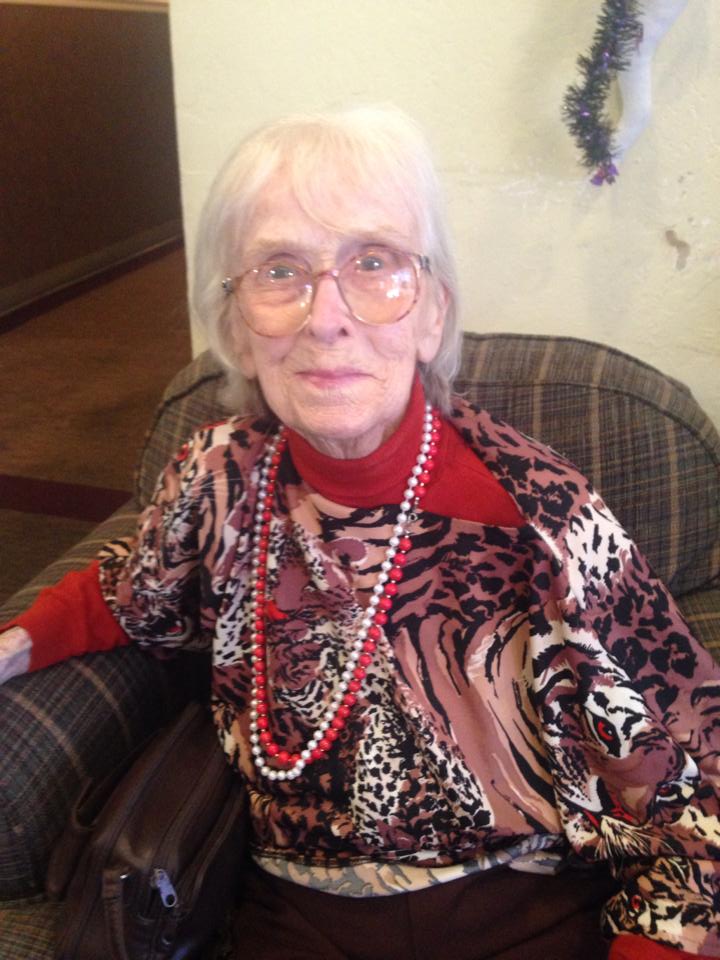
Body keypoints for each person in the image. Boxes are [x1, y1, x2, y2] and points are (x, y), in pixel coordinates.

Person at [1, 107, 719, 960]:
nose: (325, 317)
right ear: (236, 326)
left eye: (373, 262)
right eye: (280, 270)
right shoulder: (218, 476)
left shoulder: (541, 512)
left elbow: (690, 783)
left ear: (431, 313)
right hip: (290, 916)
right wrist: (14, 643)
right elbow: (131, 591)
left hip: (518, 911)